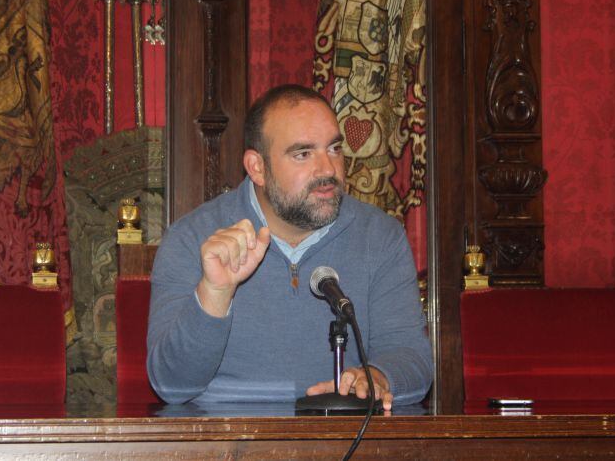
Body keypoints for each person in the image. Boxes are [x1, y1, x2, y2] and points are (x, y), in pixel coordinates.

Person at [147, 84, 433, 410]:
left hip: (341, 438)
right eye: (303, 154)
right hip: (226, 440)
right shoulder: (192, 240)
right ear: (257, 167)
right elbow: (171, 384)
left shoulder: (379, 237)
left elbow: (413, 358)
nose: (328, 169)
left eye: (335, 149)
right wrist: (214, 294)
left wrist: (379, 376)